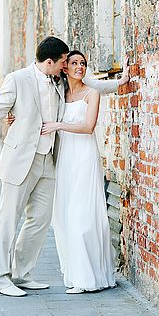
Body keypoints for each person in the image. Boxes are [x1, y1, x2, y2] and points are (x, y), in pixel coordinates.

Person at [0, 36, 128, 297]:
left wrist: (119, 83)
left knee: (39, 221)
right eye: (64, 62)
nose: (67, 66)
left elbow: (91, 85)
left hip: (49, 161)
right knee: (8, 221)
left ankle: (21, 273)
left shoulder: (59, 80)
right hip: (20, 161)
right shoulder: (17, 79)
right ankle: (0, 278)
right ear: (50, 61)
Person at [42, 50, 118, 294]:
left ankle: (89, 278)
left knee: (81, 215)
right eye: (74, 63)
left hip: (84, 158)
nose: (79, 67)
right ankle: (75, 274)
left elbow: (88, 127)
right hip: (65, 159)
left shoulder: (92, 93)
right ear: (65, 68)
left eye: (83, 63)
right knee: (63, 216)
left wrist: (58, 125)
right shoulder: (59, 94)